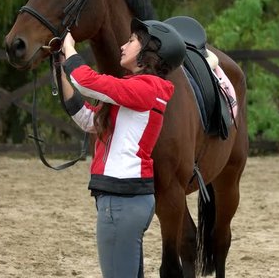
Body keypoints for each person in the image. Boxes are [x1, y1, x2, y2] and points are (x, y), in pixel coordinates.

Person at [57, 18, 186, 277]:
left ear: (150, 50)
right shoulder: (138, 91)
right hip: (126, 198)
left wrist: (69, 46)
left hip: (121, 200)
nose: (123, 45)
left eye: (131, 40)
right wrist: (61, 62)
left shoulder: (146, 87)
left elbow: (86, 81)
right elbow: (87, 119)